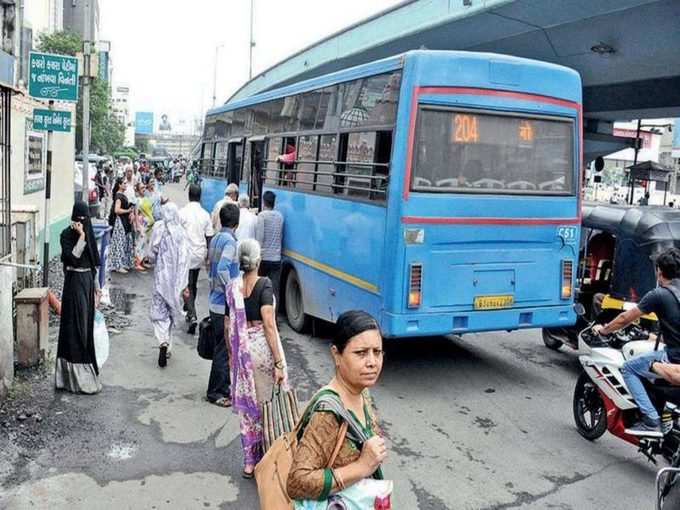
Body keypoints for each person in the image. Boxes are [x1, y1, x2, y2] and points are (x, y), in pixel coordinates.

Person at [287, 311, 387, 500]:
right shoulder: (328, 414)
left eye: (377, 352)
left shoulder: (362, 392)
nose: (372, 362)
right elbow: (296, 482)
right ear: (336, 355)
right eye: (361, 353)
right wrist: (361, 467)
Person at [593, 248, 680, 436]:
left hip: (673, 357)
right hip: (671, 348)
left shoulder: (659, 294)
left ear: (659, 271)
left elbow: (625, 318)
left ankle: (650, 418)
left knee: (629, 368)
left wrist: (604, 329)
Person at [224, 239, 286, 478]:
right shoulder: (265, 285)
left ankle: (250, 463)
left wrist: (232, 356)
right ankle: (269, 458)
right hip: (261, 352)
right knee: (266, 407)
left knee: (247, 413)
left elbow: (229, 323)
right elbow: (269, 325)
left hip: (242, 352)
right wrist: (279, 362)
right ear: (258, 260)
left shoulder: (232, 287)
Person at [55, 202, 102, 394]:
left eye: (84, 219)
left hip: (87, 284)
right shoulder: (66, 235)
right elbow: (72, 258)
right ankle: (71, 379)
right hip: (73, 285)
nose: (83, 223)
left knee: (85, 328)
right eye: (79, 219)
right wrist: (81, 237)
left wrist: (97, 289)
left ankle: (85, 376)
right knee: (73, 328)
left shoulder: (89, 231)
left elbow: (93, 264)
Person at [146, 202, 190, 367]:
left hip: (160, 279)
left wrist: (149, 259)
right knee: (171, 312)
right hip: (176, 281)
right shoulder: (181, 233)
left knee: (159, 312)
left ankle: (162, 341)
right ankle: (168, 344)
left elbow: (152, 252)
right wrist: (184, 284)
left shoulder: (159, 228)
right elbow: (186, 260)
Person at [206, 203, 241, 407]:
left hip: (214, 300)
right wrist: (233, 290)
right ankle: (216, 392)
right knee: (222, 349)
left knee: (222, 346)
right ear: (237, 222)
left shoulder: (217, 238)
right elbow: (222, 268)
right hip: (223, 303)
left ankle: (222, 387)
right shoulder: (230, 242)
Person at [179, 184, 214, 334]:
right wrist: (208, 257)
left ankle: (192, 315)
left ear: (189, 196)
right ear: (200, 197)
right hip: (199, 253)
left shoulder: (182, 213)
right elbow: (209, 237)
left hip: (185, 253)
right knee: (192, 282)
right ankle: (189, 307)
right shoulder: (205, 214)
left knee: (185, 285)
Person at [256, 191, 284, 302]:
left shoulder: (262, 216)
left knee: (260, 288)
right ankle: (274, 317)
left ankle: (261, 315)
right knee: (274, 290)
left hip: (264, 258)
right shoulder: (280, 216)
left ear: (263, 202)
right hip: (276, 258)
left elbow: (260, 238)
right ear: (274, 203)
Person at [109, 178, 134, 274]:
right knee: (119, 243)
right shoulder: (119, 196)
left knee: (122, 243)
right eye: (124, 183)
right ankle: (118, 265)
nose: (126, 185)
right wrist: (127, 211)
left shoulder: (121, 195)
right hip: (120, 223)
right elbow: (117, 210)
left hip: (123, 222)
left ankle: (121, 263)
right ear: (119, 185)